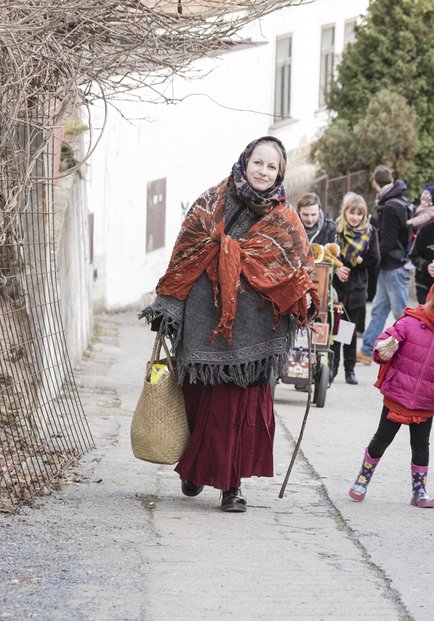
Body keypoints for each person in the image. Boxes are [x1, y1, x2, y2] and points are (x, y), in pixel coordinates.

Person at [140, 136, 319, 513]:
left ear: (279, 174)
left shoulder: (286, 220)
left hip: (257, 328)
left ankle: (230, 487)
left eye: (272, 167)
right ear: (245, 161)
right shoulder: (212, 201)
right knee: (203, 399)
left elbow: (297, 267)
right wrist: (171, 305)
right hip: (206, 320)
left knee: (238, 408)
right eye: (258, 162)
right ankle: (194, 469)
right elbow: (185, 251)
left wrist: (304, 299)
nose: (263, 171)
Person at [347, 274, 434, 508]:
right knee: (381, 440)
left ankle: (419, 489)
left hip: (425, 402)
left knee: (420, 447)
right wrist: (382, 350)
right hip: (397, 394)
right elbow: (386, 341)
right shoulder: (410, 322)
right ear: (432, 301)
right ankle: (363, 479)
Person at [358, 165, 412, 366]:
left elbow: (388, 242)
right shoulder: (397, 201)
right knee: (379, 309)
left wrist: (372, 257)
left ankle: (410, 353)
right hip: (391, 266)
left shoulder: (390, 206)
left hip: (393, 266)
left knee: (402, 313)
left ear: (375, 182)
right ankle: (365, 350)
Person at [329, 192, 380, 385]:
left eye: (359, 214)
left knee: (349, 332)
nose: (355, 217)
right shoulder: (336, 229)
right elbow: (328, 253)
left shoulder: (370, 232)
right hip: (338, 288)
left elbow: (375, 259)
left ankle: (349, 370)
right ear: (345, 212)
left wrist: (359, 262)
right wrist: (338, 267)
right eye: (352, 213)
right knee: (335, 332)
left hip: (357, 289)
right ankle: (331, 369)